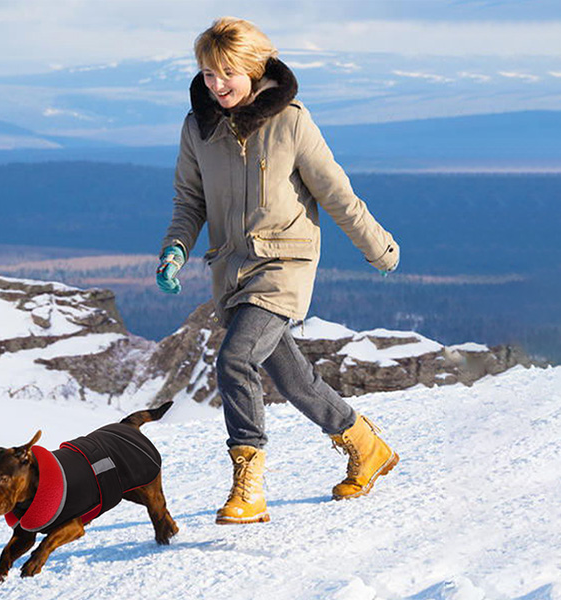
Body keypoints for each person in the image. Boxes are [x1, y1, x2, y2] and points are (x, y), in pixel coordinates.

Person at [156, 17, 401, 525]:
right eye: (207, 73)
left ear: (254, 68)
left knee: (236, 359)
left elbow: (336, 193)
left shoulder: (291, 121)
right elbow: (189, 200)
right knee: (293, 379)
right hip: (232, 269)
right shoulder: (197, 127)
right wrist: (176, 249)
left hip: (284, 263)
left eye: (226, 73)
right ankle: (364, 443)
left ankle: (249, 484)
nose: (216, 85)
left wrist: (378, 247)